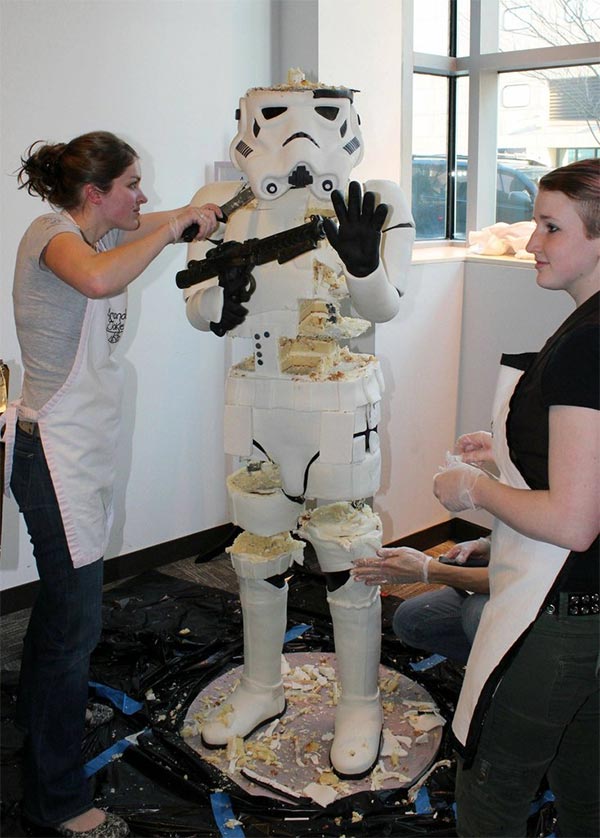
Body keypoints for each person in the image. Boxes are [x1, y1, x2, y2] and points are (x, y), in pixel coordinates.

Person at [182, 72, 415, 779]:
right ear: (247, 124)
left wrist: (365, 264)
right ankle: (261, 684)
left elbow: (385, 306)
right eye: (278, 114)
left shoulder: (376, 200)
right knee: (257, 550)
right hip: (258, 392)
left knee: (347, 553)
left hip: (338, 400)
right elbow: (197, 306)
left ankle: (360, 700)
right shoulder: (222, 204)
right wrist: (221, 294)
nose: (298, 130)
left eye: (319, 113)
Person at [1, 131, 220, 838]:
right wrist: (169, 230)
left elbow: (156, 224)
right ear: (94, 195)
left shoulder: (96, 232)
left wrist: (195, 213)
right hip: (54, 452)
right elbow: (100, 280)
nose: (143, 197)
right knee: (77, 625)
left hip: (81, 450)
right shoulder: (53, 235)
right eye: (131, 184)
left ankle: (40, 714)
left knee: (65, 614)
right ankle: (57, 801)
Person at [433, 159, 599, 837]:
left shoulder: (588, 345)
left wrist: (475, 488)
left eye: (551, 227)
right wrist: (505, 449)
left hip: (561, 611)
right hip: (589, 609)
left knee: (493, 783)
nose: (532, 242)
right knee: (584, 776)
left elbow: (573, 521)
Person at [351, 536, 490, 664]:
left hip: (507, 596)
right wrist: (488, 544)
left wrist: (429, 571)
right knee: (409, 619)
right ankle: (479, 654)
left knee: (475, 611)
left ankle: (496, 676)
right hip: (497, 579)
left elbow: (504, 582)